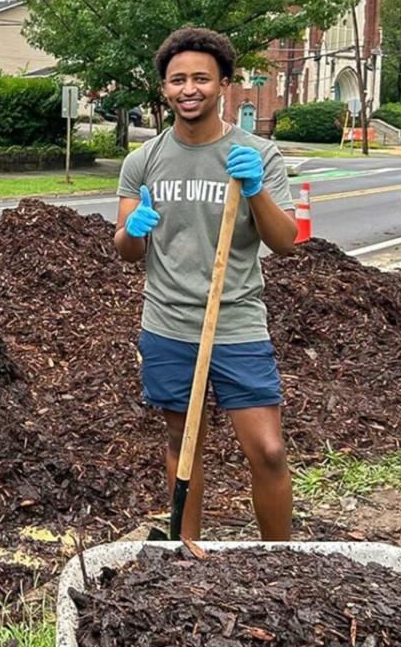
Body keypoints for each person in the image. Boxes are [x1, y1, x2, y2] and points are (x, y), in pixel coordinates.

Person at [114, 27, 297, 541]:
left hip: (236, 320)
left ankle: (281, 560)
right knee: (183, 441)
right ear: (164, 89)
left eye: (200, 78)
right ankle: (185, 551)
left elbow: (284, 242)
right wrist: (133, 230)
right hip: (168, 322)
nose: (187, 89)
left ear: (223, 84)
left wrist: (256, 190)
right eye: (177, 80)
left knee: (268, 449)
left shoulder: (258, 154)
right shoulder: (143, 161)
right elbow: (126, 252)